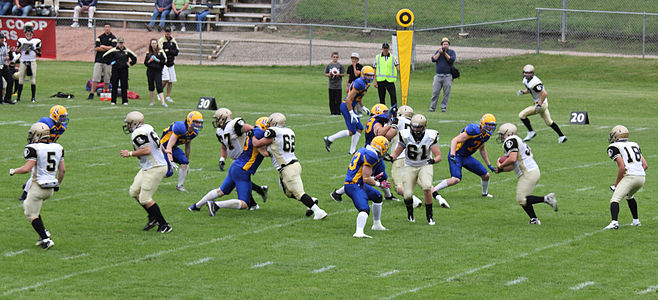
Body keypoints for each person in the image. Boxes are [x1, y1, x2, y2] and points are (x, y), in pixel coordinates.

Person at [251, 113, 328, 220]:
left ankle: (318, 211)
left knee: (299, 193)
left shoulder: (273, 132)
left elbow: (257, 144)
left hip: (287, 168)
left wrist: (253, 135)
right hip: (294, 164)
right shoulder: (289, 131)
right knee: (288, 193)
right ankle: (311, 200)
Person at [189, 117, 270, 215]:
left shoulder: (254, 133)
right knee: (244, 203)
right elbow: (264, 153)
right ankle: (216, 205)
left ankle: (196, 206)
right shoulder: (259, 133)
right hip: (243, 170)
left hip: (236, 165)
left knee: (220, 191)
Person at [9, 122, 65, 249]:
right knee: (34, 209)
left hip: (38, 186)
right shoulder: (58, 147)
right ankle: (42, 233)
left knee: (30, 213)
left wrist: (13, 171)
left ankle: (46, 239)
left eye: (33, 134)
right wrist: (58, 184)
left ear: (38, 134)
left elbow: (26, 169)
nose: (31, 136)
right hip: (50, 187)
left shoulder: (34, 148)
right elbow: (62, 170)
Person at [120, 111, 172, 233]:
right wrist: (164, 151)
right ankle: (152, 216)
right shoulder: (147, 127)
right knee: (134, 192)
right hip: (148, 167)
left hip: (155, 168)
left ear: (135, 123)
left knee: (145, 199)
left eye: (129, 123)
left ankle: (164, 224)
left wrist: (130, 153)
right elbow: (157, 141)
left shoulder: (138, 133)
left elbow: (147, 150)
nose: (127, 126)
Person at [495, 123, 558, 225]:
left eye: (502, 134)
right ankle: (534, 219)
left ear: (509, 134)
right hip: (532, 171)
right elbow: (513, 166)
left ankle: (547, 199)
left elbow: (512, 159)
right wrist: (501, 170)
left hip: (528, 173)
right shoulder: (517, 140)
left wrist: (500, 166)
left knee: (521, 199)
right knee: (523, 198)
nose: (501, 136)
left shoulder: (510, 140)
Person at [391, 114, 446, 225]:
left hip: (424, 165)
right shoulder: (405, 135)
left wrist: (433, 161)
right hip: (410, 166)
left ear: (424, 127)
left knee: (426, 187)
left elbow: (438, 155)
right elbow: (397, 152)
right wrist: (390, 157)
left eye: (419, 127)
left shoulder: (430, 136)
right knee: (407, 195)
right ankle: (410, 214)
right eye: (414, 127)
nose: (416, 129)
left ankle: (429, 216)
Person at [431, 113, 497, 199]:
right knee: (455, 179)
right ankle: (433, 191)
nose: (490, 127)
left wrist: (489, 164)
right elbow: (454, 140)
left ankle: (485, 194)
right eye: (488, 125)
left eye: (492, 125)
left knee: (486, 175)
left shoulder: (487, 135)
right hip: (457, 155)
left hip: (466, 157)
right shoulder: (473, 130)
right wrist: (452, 155)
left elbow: (482, 149)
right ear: (482, 123)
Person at [212, 108, 268, 208]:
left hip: (243, 155)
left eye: (217, 119)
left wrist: (253, 130)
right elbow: (224, 146)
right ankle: (256, 197)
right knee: (241, 181)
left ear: (223, 118)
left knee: (239, 182)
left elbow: (247, 127)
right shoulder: (219, 131)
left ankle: (252, 202)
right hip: (235, 158)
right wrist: (222, 159)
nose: (216, 121)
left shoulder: (233, 125)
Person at [18, 105, 69, 201]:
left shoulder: (62, 127)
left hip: (49, 148)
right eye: (62, 116)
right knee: (35, 171)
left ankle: (27, 187)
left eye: (64, 116)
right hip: (39, 147)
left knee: (38, 171)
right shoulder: (46, 123)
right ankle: (25, 193)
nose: (64, 119)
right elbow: (35, 134)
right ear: (55, 116)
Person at [344, 136, 390, 238]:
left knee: (377, 197)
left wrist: (373, 177)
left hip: (357, 183)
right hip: (353, 185)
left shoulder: (364, 150)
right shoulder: (371, 156)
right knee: (364, 209)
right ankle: (359, 232)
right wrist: (379, 184)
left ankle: (377, 224)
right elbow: (366, 178)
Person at [603, 125, 648, 230]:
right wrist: (637, 173)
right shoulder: (634, 144)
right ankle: (636, 221)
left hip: (630, 177)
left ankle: (614, 222)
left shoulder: (614, 147)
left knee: (615, 199)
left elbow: (622, 168)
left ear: (616, 136)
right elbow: (645, 165)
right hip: (641, 177)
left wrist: (616, 184)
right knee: (629, 196)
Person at [323, 66, 375, 155]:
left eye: (371, 75)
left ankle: (352, 151)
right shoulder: (360, 83)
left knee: (359, 128)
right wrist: (351, 113)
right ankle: (329, 139)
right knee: (352, 131)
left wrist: (362, 107)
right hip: (346, 106)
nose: (369, 77)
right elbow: (348, 99)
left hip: (350, 106)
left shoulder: (366, 84)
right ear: (363, 74)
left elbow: (358, 97)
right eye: (367, 75)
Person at [516, 64, 567, 143]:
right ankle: (562, 136)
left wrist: (539, 104)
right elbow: (530, 90)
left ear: (532, 73)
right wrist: (523, 92)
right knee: (549, 122)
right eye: (525, 73)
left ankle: (531, 132)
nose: (527, 74)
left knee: (522, 115)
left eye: (529, 73)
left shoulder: (536, 82)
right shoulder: (525, 80)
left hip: (541, 104)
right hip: (543, 103)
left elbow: (544, 93)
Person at [160, 111, 203, 192]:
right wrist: (171, 159)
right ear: (189, 121)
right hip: (162, 148)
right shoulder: (180, 127)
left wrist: (188, 161)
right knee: (168, 173)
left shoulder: (194, 132)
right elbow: (169, 145)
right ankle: (149, 176)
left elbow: (188, 146)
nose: (198, 124)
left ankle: (180, 186)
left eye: (199, 122)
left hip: (172, 147)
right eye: (195, 122)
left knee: (184, 162)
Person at [103, 37, 137, 105]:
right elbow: (104, 57)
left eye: (122, 43)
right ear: (117, 43)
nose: (120, 44)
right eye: (119, 43)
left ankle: (125, 101)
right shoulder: (113, 50)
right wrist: (111, 63)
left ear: (123, 43)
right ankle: (113, 101)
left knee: (124, 85)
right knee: (114, 85)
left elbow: (134, 58)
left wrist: (130, 63)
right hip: (115, 70)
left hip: (124, 70)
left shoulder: (127, 51)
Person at [88, 24, 116, 100]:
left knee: (107, 79)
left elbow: (113, 48)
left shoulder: (113, 38)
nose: (107, 29)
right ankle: (91, 93)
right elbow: (97, 48)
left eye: (108, 27)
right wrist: (107, 48)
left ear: (110, 28)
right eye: (106, 27)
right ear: (104, 28)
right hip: (99, 61)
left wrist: (103, 46)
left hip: (108, 61)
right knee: (95, 78)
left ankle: (105, 94)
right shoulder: (99, 37)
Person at [429, 37, 456, 113]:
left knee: (446, 93)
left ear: (449, 45)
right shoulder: (438, 52)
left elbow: (451, 60)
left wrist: (445, 53)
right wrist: (439, 53)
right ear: (441, 45)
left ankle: (443, 108)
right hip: (438, 76)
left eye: (447, 44)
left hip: (447, 76)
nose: (445, 46)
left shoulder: (451, 52)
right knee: (435, 92)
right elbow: (433, 59)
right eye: (444, 44)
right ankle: (432, 107)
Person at [15, 22, 40, 103]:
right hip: (23, 61)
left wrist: (34, 48)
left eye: (30, 33)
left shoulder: (36, 41)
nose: (28, 35)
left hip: (32, 61)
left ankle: (33, 98)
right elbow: (16, 51)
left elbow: (39, 54)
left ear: (32, 34)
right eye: (27, 33)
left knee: (32, 80)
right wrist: (22, 47)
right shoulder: (21, 40)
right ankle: (18, 98)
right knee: (21, 80)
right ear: (24, 33)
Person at [373, 42, 399, 108]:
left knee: (393, 96)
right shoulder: (377, 57)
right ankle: (382, 111)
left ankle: (394, 110)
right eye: (384, 48)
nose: (385, 50)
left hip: (390, 81)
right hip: (380, 80)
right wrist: (375, 81)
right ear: (382, 49)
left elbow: (398, 66)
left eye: (387, 48)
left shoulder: (393, 57)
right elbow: (374, 69)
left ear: (389, 49)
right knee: (381, 97)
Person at [144, 39, 167, 107]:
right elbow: (145, 63)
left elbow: (163, 62)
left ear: (157, 44)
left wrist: (157, 60)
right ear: (150, 44)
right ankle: (152, 101)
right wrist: (150, 60)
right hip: (150, 71)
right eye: (152, 43)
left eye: (155, 43)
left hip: (158, 71)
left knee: (159, 85)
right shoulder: (148, 53)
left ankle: (163, 102)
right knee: (151, 86)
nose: (154, 45)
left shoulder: (160, 52)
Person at [158, 27, 178, 103]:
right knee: (165, 79)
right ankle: (160, 92)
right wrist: (169, 51)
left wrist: (169, 50)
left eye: (169, 32)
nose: (168, 33)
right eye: (166, 32)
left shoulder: (173, 41)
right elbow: (161, 51)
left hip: (171, 63)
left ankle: (168, 96)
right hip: (164, 63)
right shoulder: (161, 41)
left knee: (170, 81)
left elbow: (176, 52)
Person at [0, 33, 16, 104]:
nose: (2, 40)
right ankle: (0, 100)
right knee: (0, 83)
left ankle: (7, 98)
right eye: (1, 38)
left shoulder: (5, 45)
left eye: (3, 38)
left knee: (10, 80)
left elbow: (10, 56)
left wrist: (8, 58)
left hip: (3, 65)